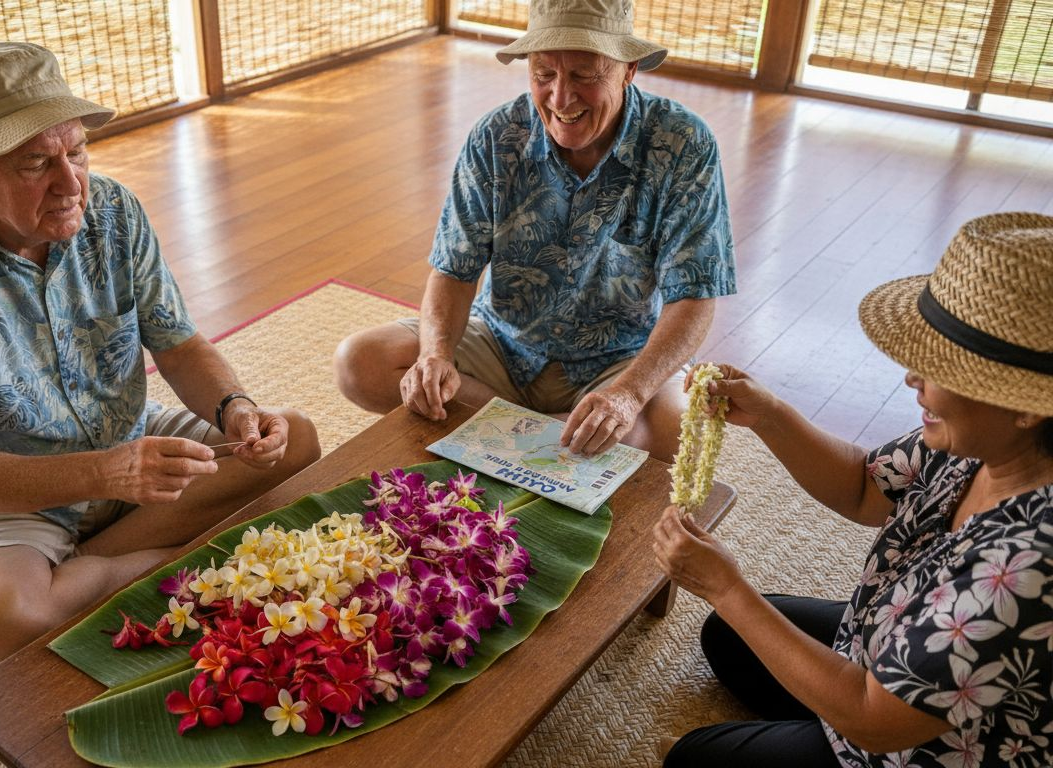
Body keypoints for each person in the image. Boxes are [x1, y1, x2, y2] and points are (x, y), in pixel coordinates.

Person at [0, 42, 320, 662]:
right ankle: (176, 562)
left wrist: (236, 408)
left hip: (128, 440)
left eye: (76, 151)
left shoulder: (114, 210)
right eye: (34, 164)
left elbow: (178, 344)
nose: (70, 183)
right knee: (6, 616)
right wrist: (107, 471)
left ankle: (94, 568)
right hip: (6, 489)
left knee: (298, 441)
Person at [654, 211, 1053, 767]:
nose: (912, 375)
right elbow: (868, 488)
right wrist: (770, 414)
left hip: (928, 744)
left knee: (694, 756)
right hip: (890, 648)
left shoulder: (1027, 567)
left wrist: (727, 588)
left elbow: (874, 720)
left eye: (943, 365)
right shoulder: (976, 444)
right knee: (729, 636)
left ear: (1027, 408)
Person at [334, 0, 735, 460]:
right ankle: (548, 443)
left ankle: (517, 439)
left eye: (584, 75)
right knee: (359, 363)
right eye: (544, 74)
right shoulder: (495, 137)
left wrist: (627, 395)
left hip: (617, 357)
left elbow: (695, 297)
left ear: (629, 69)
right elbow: (454, 271)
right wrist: (436, 356)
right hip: (501, 343)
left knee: (681, 429)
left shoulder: (683, 143)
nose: (561, 98)